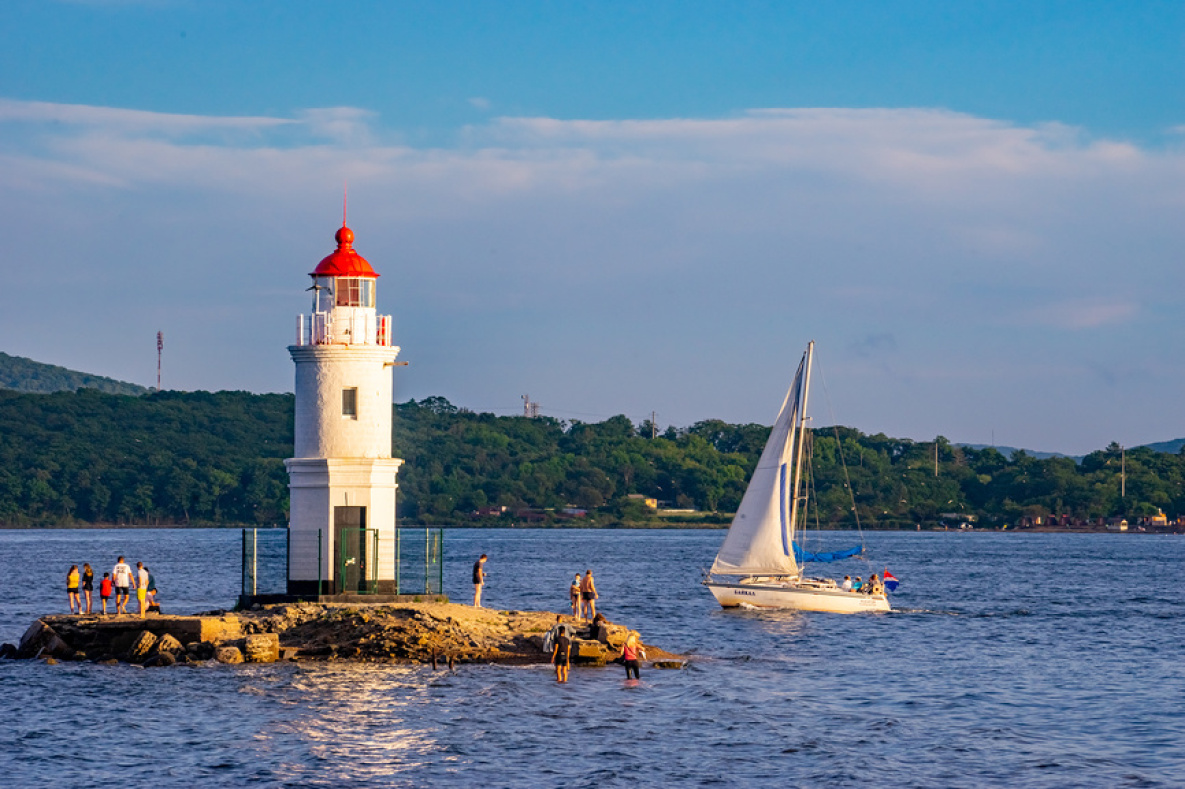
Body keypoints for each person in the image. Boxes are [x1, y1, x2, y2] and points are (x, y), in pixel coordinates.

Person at [551, 615, 571, 683]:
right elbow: (568, 650)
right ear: (564, 632)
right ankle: (565, 682)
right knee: (564, 671)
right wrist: (568, 661)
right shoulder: (567, 639)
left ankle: (559, 681)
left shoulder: (557, 639)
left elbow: (556, 649)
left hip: (559, 655)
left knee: (558, 670)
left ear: (559, 631)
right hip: (565, 656)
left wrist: (553, 657)